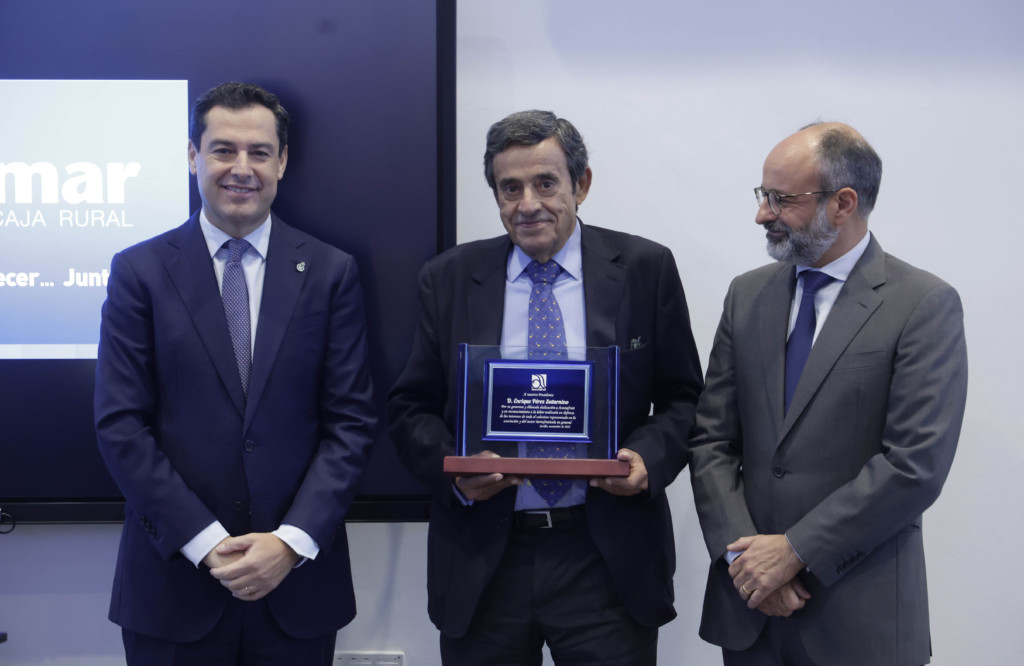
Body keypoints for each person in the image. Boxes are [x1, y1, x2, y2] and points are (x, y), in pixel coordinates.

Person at [387, 110, 703, 665]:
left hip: (605, 556)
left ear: (581, 185)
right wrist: (459, 472)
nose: (528, 203)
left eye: (545, 183)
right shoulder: (450, 277)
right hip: (485, 556)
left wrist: (647, 459)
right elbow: (411, 407)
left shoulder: (645, 268)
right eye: (510, 188)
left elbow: (684, 398)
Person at [94, 82, 376, 665]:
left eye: (259, 152)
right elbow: (121, 425)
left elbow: (350, 424)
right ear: (193, 156)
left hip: (296, 589)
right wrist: (206, 542)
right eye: (223, 150)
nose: (241, 168)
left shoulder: (331, 272)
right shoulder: (139, 272)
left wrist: (290, 543)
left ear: (283, 161)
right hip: (174, 588)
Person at [689, 122, 968, 666]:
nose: (762, 214)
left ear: (843, 204)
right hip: (751, 615)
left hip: (859, 622)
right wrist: (746, 562)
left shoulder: (923, 304)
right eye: (762, 195)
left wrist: (794, 552)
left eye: (781, 199)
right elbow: (710, 442)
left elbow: (915, 465)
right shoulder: (746, 296)